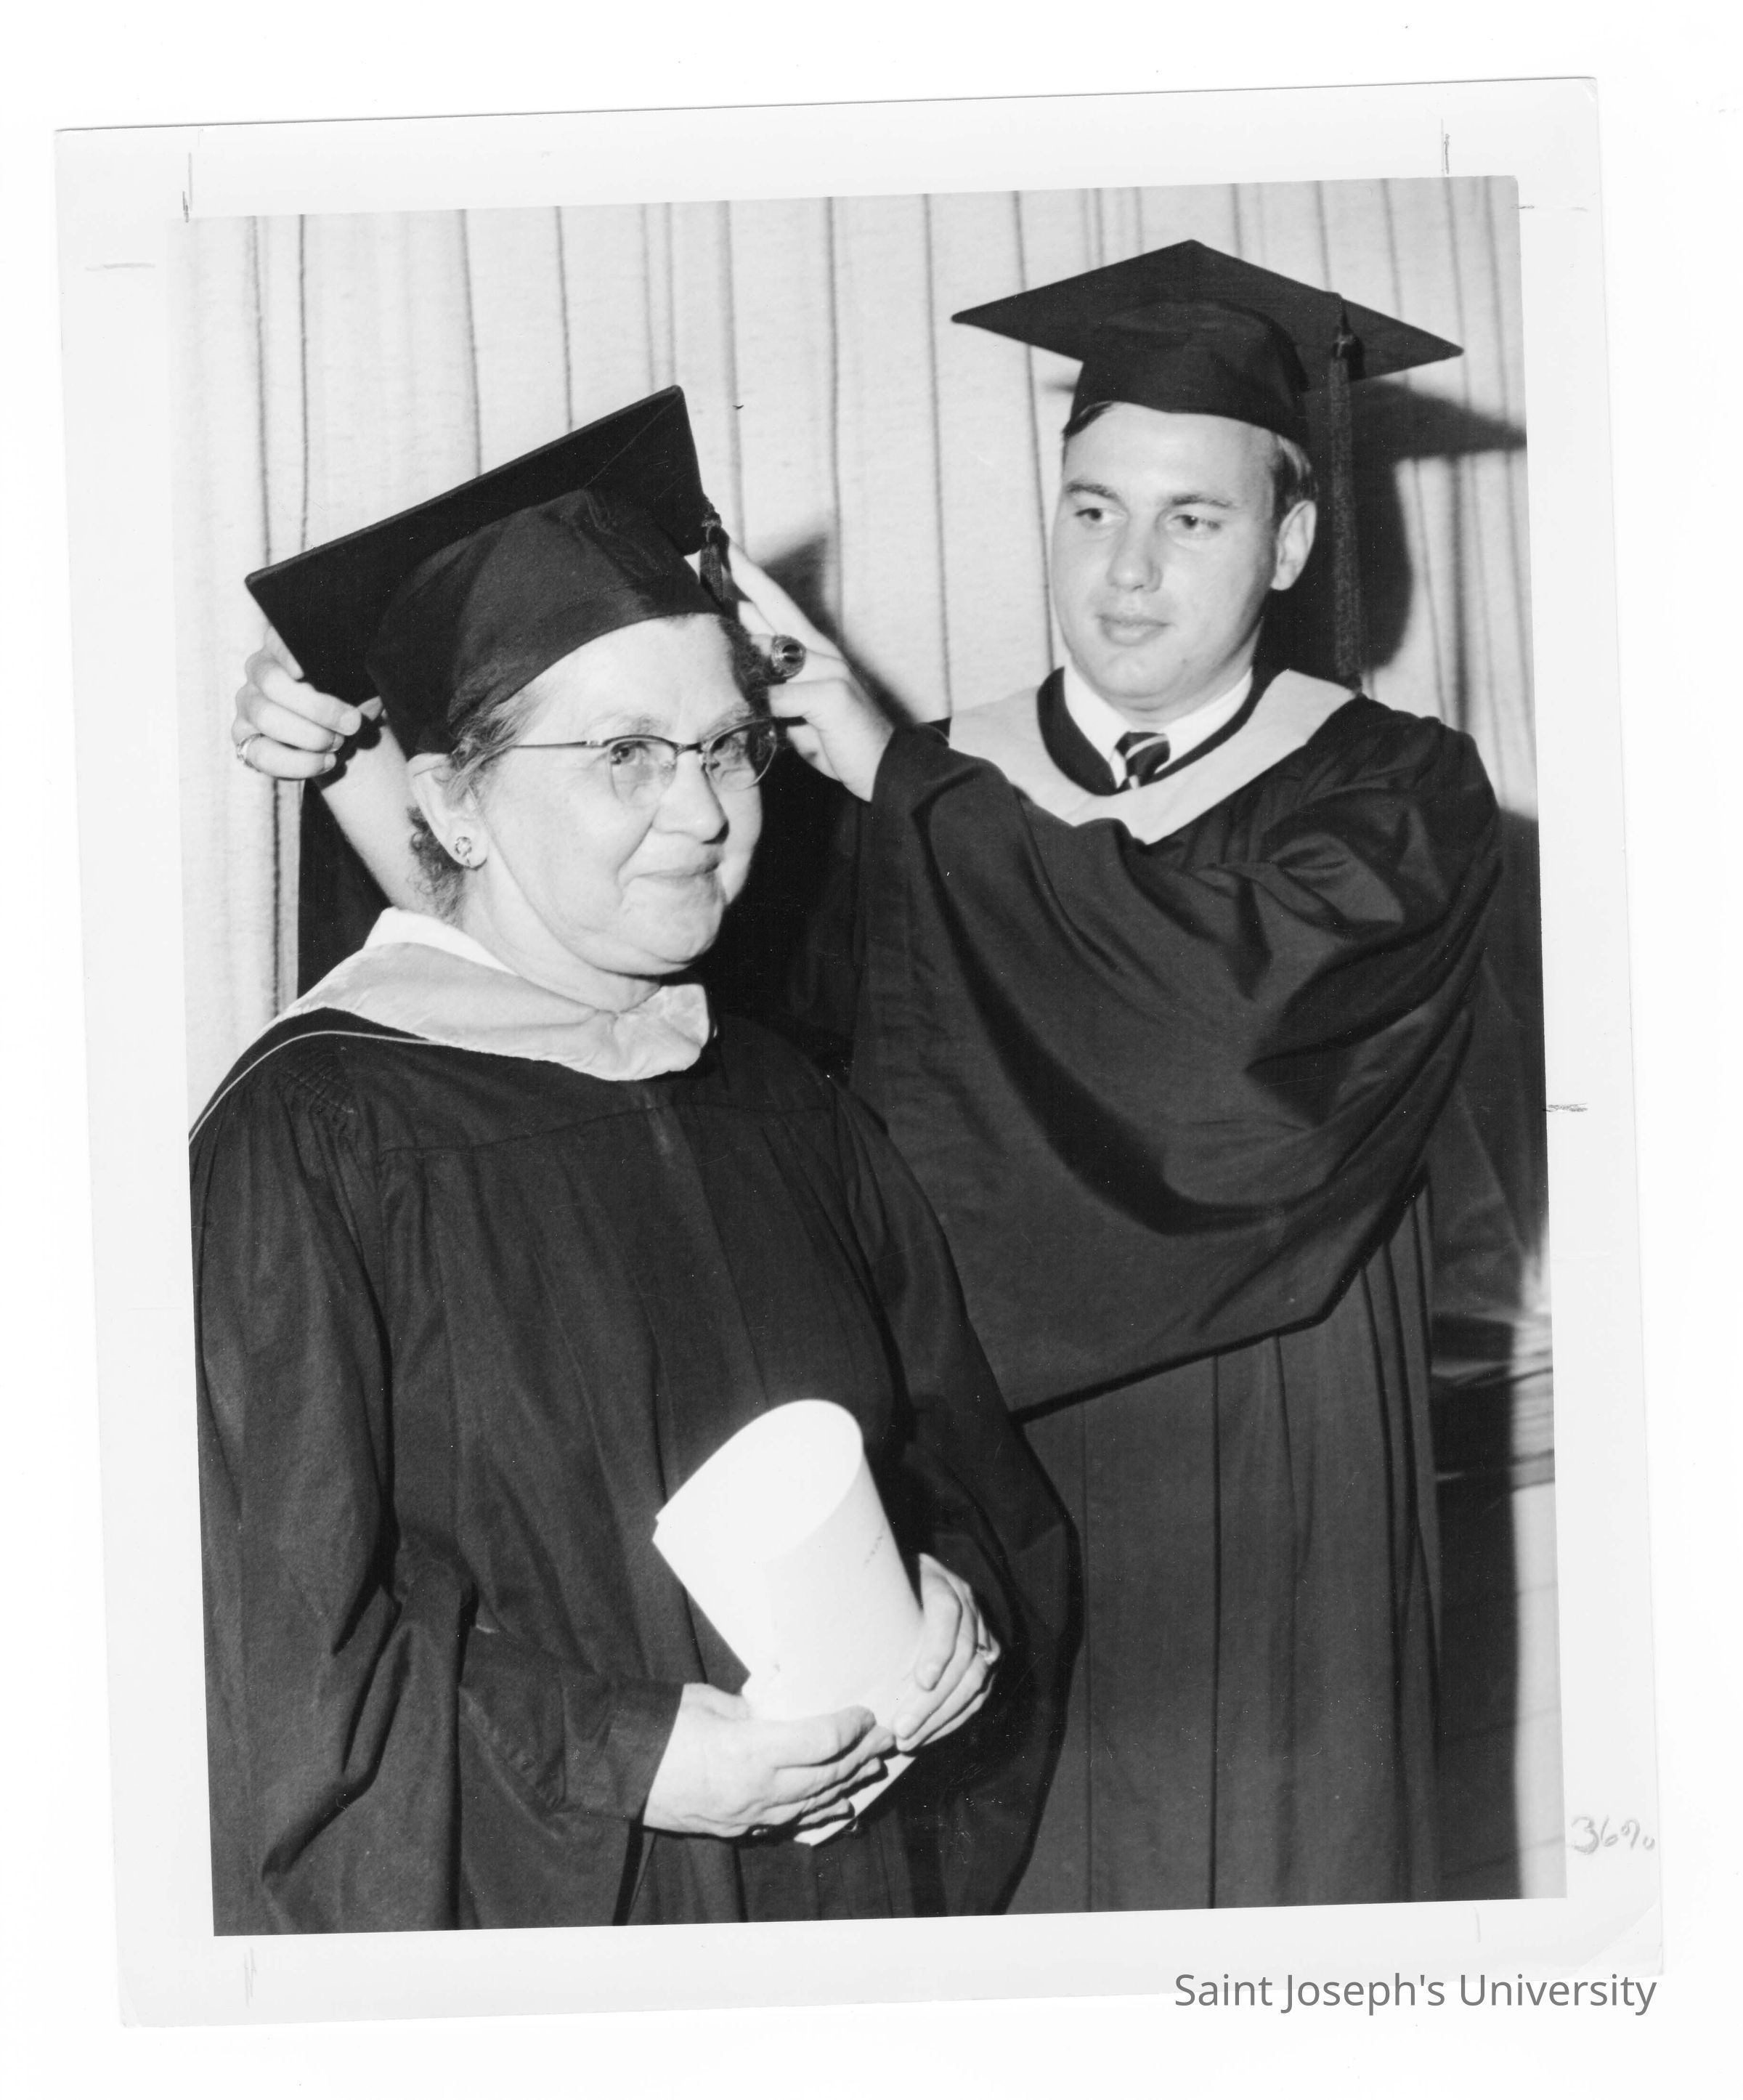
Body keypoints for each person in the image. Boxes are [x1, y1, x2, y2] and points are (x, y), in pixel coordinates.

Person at [232, 245, 1503, 1914]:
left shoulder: (1387, 790)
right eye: (1092, 507)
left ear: (1289, 542)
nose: (1127, 571)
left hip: (1266, 1472)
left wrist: (898, 776)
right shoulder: (897, 787)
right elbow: (586, 1020)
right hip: (962, 1493)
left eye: (1194, 519)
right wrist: (362, 756)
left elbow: (1218, 1043)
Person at [195, 400, 1070, 1934]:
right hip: (558, 1915)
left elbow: (957, 1461)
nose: (707, 810)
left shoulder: (777, 1096)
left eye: (728, 745)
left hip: (850, 1897)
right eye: (625, 755)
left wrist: (954, 1606)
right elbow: (278, 1643)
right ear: (451, 804)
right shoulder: (319, 1137)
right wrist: (633, 1755)